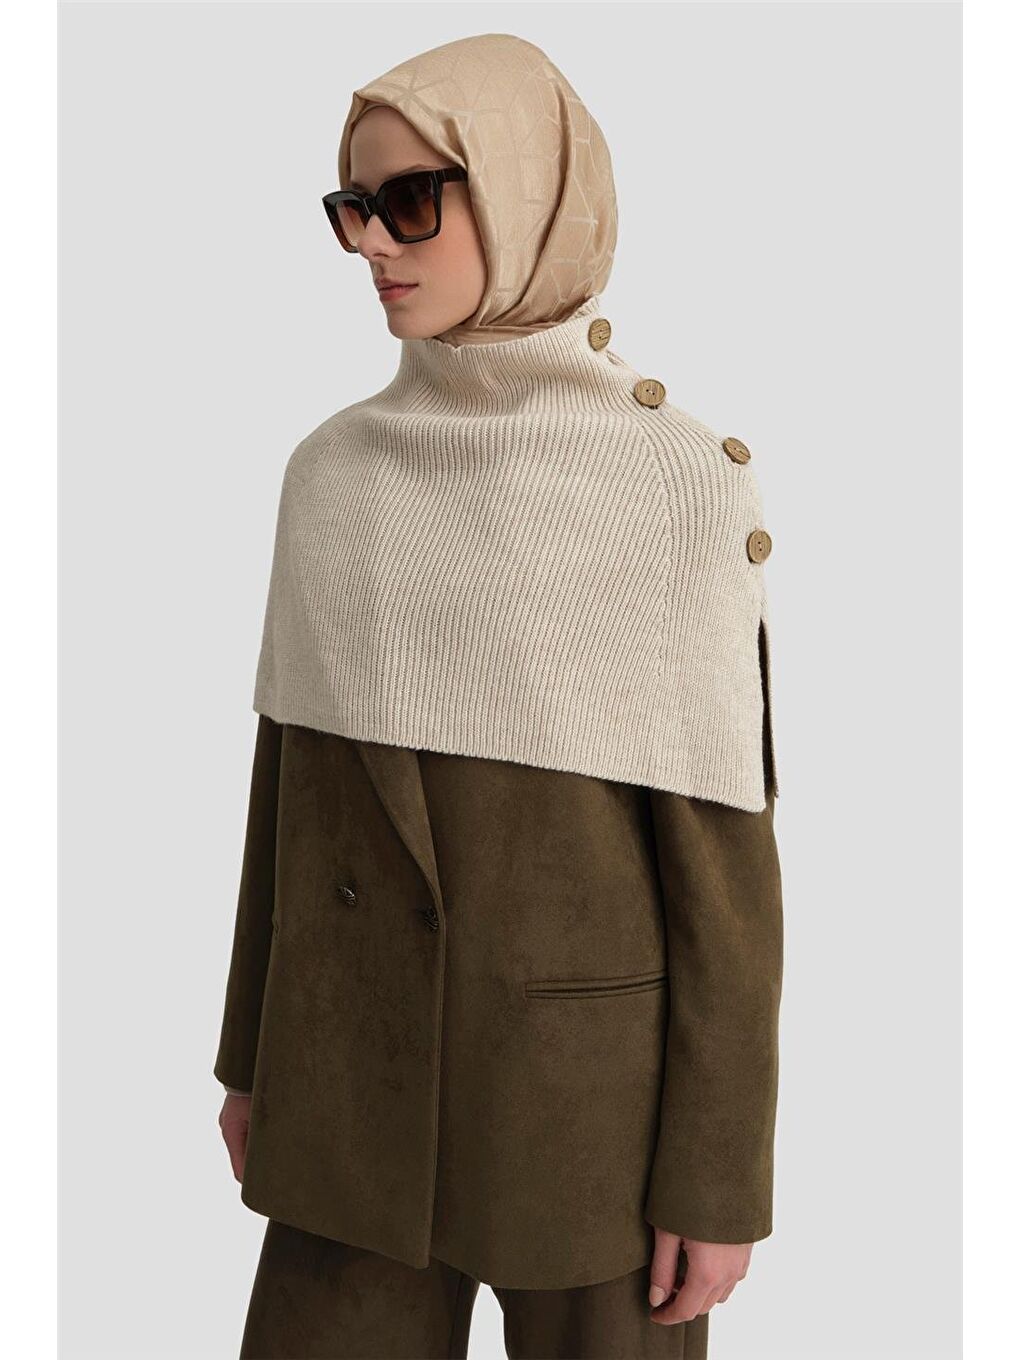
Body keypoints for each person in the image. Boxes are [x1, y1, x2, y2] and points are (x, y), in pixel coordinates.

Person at [214, 32, 783, 1360]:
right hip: (346, 1079)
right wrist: (253, 1056)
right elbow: (284, 792)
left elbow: (723, 867)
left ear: (528, 192)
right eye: (353, 207)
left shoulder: (675, 481)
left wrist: (717, 1176)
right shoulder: (330, 471)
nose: (372, 243)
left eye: (411, 199)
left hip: (587, 1114)